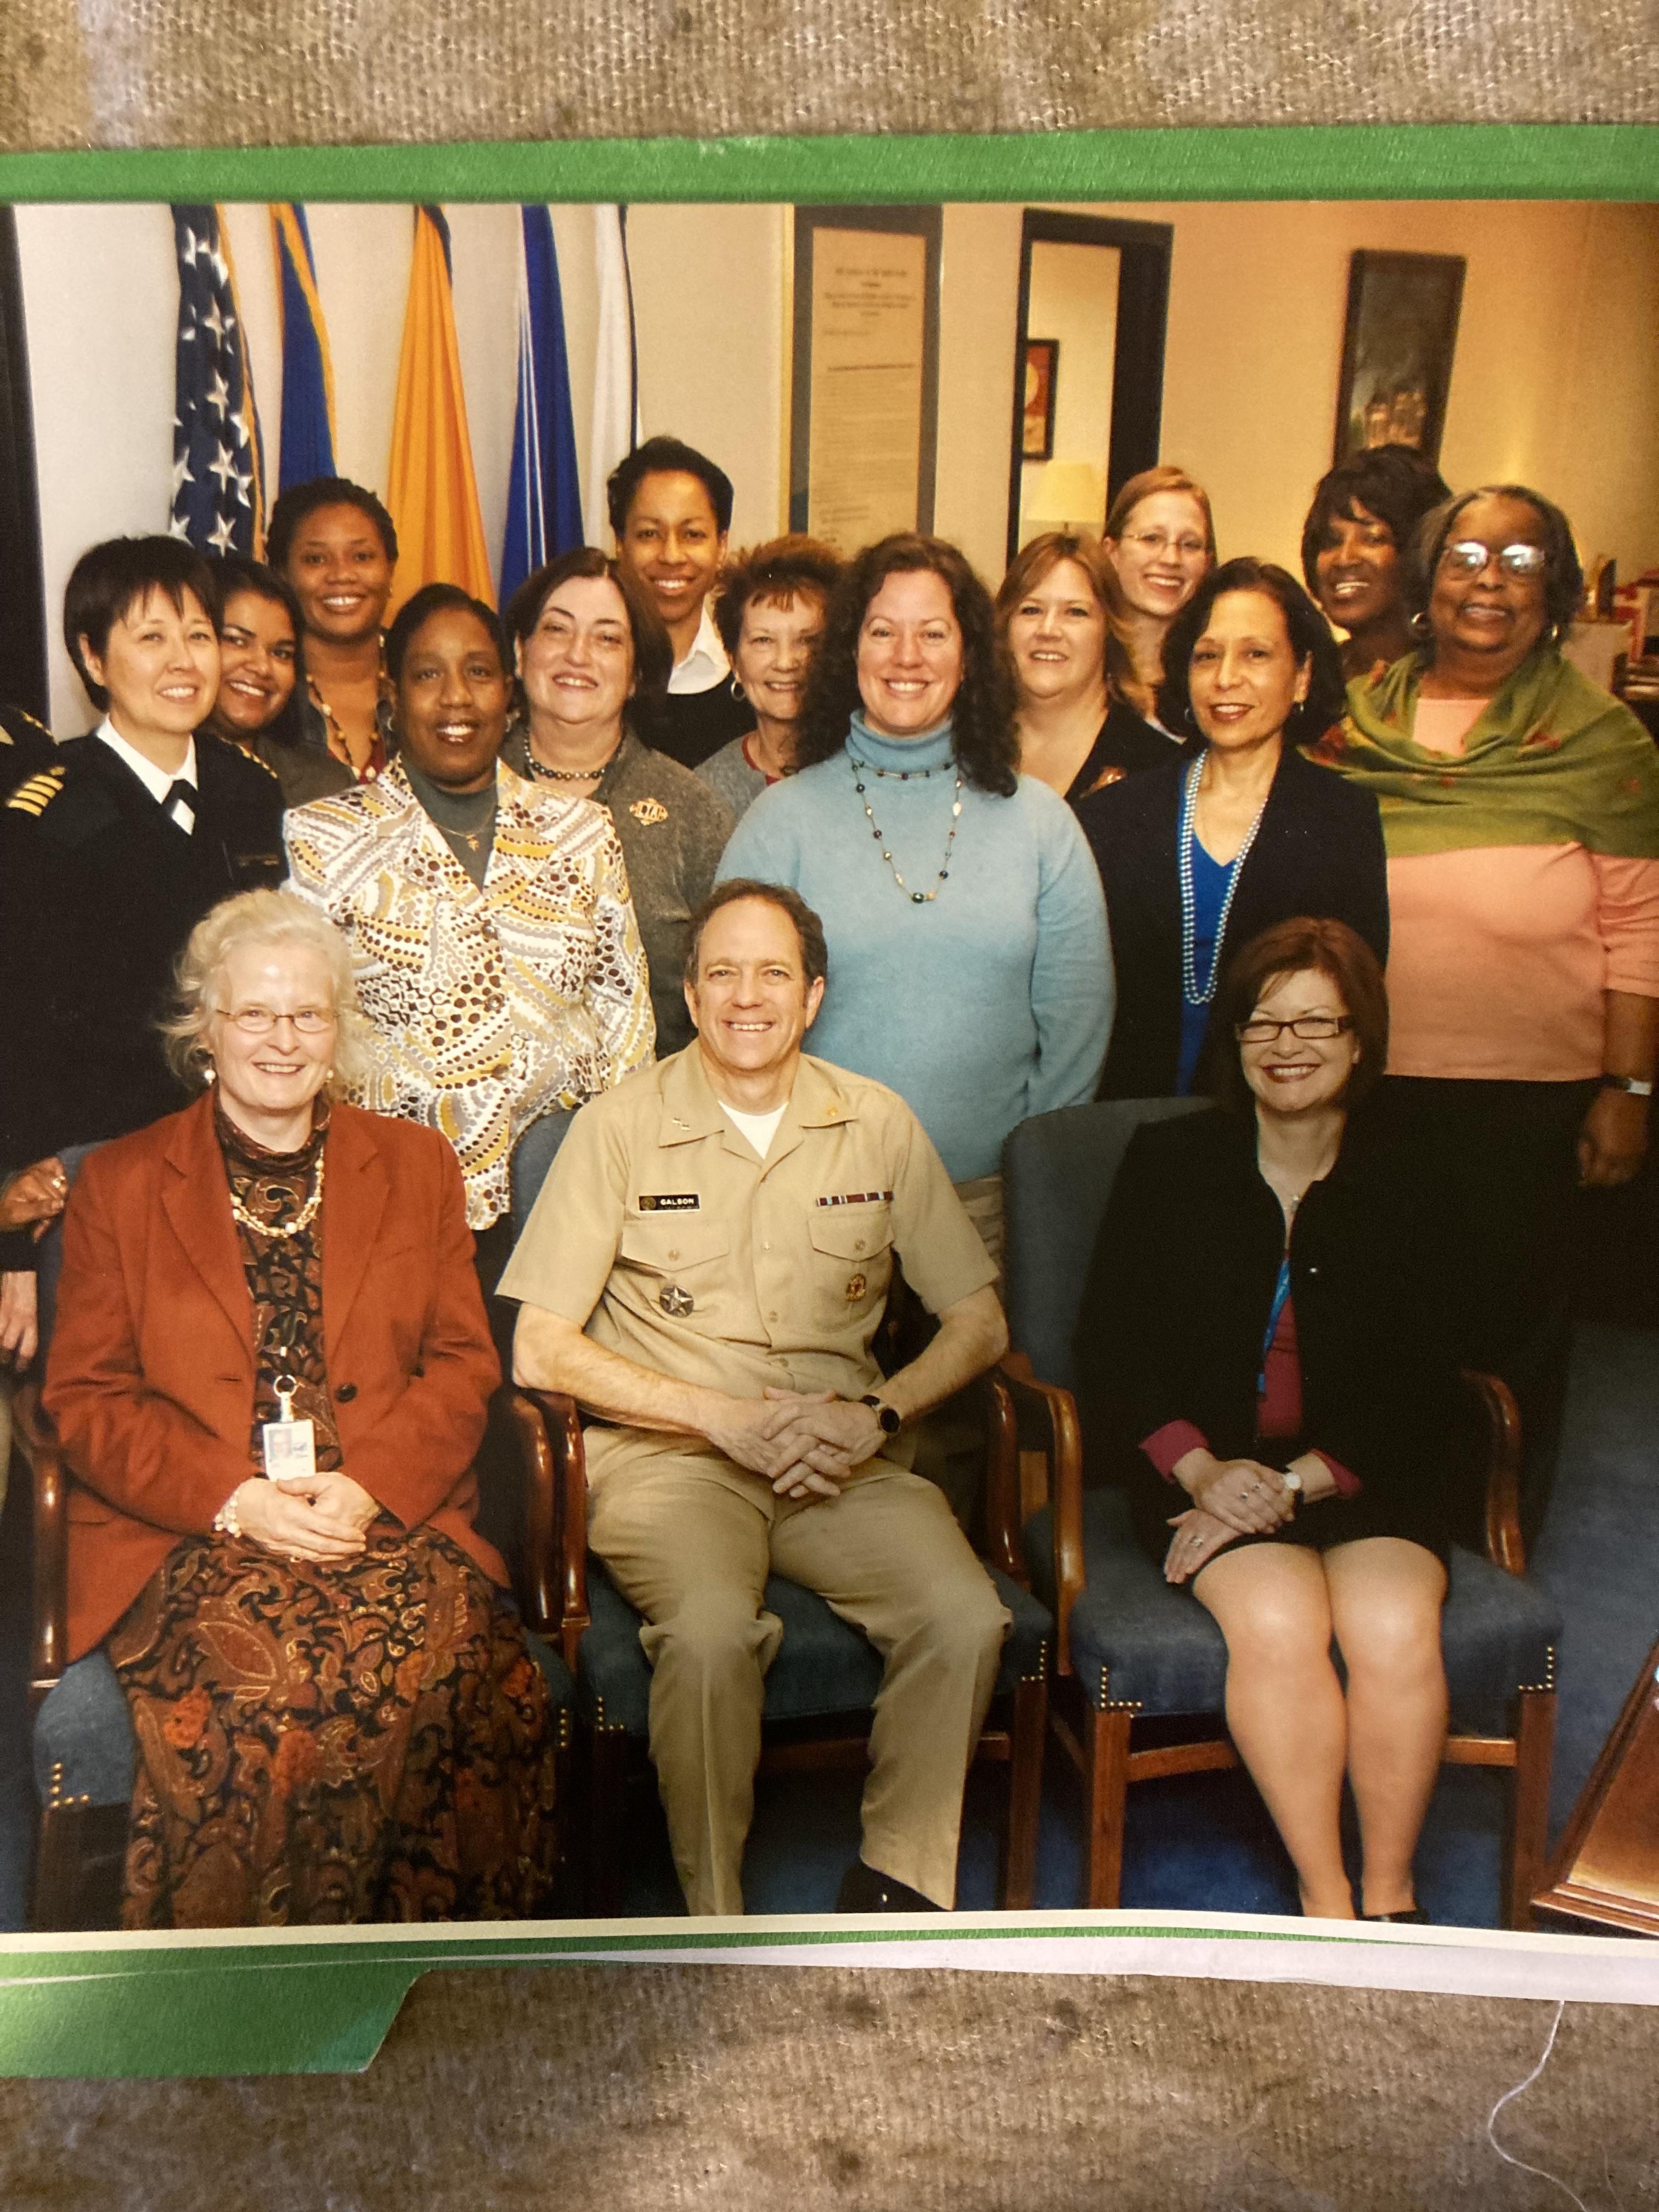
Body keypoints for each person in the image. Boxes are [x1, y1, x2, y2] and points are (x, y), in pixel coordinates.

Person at [43, 890, 560, 1927]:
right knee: (279, 1687)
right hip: (196, 1528)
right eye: (253, 1015)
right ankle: (258, 2008)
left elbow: (464, 1364)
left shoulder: (415, 1164)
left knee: (453, 1669)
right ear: (206, 1031)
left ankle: (452, 2005)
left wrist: (369, 1487)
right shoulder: (123, 1183)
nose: (282, 1040)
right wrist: (236, 1502)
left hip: (382, 1510)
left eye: (307, 1015)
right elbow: (87, 1400)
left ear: (340, 1031)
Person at [502, 881, 1012, 1917]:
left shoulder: (874, 1120)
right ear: (689, 994)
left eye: (773, 972)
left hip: (838, 1454)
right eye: (722, 973)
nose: (747, 996)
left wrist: (874, 1417)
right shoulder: (618, 1125)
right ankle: (715, 1917)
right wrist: (715, 1415)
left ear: (812, 995)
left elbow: (979, 1322)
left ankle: (897, 1892)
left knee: (962, 1616)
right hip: (671, 1456)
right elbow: (539, 1349)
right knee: (704, 1636)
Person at [1075, 918, 1470, 1922]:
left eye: (1313, 1023)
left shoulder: (1419, 1175)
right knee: (1279, 1620)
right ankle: (1326, 1900)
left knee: (1387, 1623)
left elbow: (1426, 1381)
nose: (1285, 1045)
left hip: (1357, 1474)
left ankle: (1392, 1897)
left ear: (1358, 1041)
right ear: (1234, 1038)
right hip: (1205, 1475)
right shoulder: (1168, 1161)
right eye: (1261, 1021)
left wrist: (1295, 1481)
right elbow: (1111, 1348)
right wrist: (1204, 1473)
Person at [1316, 483, 1659, 1537]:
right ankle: (1369, 1530)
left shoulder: (1602, 742)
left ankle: (1488, 1543)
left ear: (1552, 588)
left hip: (1531, 1107)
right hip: (1366, 1086)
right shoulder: (1350, 723)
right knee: (1370, 1323)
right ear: (1426, 581)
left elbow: (1640, 934)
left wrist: (1627, 1089)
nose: (1487, 581)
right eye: (1465, 555)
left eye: (1517, 562)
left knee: (1504, 1342)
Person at [718, 532, 1112, 1263]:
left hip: (991, 1213)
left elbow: (1076, 1031)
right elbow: (731, 1023)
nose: (907, 657)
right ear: (849, 652)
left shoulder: (1041, 824)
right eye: (882, 632)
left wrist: (1029, 1185)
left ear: (969, 657)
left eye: (933, 633)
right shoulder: (779, 824)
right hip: (811, 1205)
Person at [284, 583, 654, 1294]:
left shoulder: (582, 833)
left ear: (508, 692)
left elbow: (626, 1019)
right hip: (393, 1216)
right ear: (392, 695)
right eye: (429, 674)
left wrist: (620, 1182)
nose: (456, 697)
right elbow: (303, 1032)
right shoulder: (325, 840)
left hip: (564, 1207)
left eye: (478, 672)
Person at [0, 536, 285, 1372]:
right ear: (93, 657)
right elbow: (15, 1029)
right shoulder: (49, 814)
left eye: (200, 635)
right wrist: (9, 1247)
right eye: (149, 637)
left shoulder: (249, 790)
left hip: (245, 1151)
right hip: (99, 1169)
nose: (183, 661)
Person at [1080, 557, 1387, 1101]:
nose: (1226, 679)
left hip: (1279, 1129)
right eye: (1207, 656)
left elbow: (1355, 1007)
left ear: (1303, 675)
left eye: (1257, 654)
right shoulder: (1113, 817)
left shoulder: (1344, 821)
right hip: (1120, 1124)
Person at [502, 548, 732, 1069]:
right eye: (557, 631)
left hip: (650, 1123)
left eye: (607, 638)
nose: (577, 656)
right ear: (520, 652)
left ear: (635, 674)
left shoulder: (690, 811)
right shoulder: (464, 786)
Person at [996, 530, 1194, 806]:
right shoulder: (966, 747)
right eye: (1031, 610)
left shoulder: (1160, 769)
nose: (1048, 630)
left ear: (1109, 630)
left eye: (1076, 612)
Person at [608, 435, 754, 770]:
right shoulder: (588, 677)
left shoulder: (752, 679)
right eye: (649, 534)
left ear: (721, 547)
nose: (671, 555)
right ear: (620, 544)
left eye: (692, 535)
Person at [697, 535, 842, 820]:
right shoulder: (705, 791)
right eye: (764, 640)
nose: (786, 662)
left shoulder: (869, 768)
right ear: (734, 660)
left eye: (808, 641)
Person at [266, 475, 399, 783]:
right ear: (282, 573)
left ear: (390, 570)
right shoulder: (256, 688)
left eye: (362, 557)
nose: (342, 575)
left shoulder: (424, 680)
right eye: (316, 559)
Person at [202, 554, 353, 806]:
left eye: (281, 653)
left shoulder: (328, 788)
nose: (262, 667)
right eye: (237, 640)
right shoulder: (143, 772)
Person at [1299, 445, 1451, 680]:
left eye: (1373, 539)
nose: (1344, 559)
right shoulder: (1311, 680)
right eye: (1331, 542)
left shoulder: (1453, 682)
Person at [1101, 464, 1216, 703]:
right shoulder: (1081, 669)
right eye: (1152, 539)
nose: (1171, 559)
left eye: (1190, 544)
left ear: (1207, 562)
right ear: (1112, 552)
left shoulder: (1216, 678)